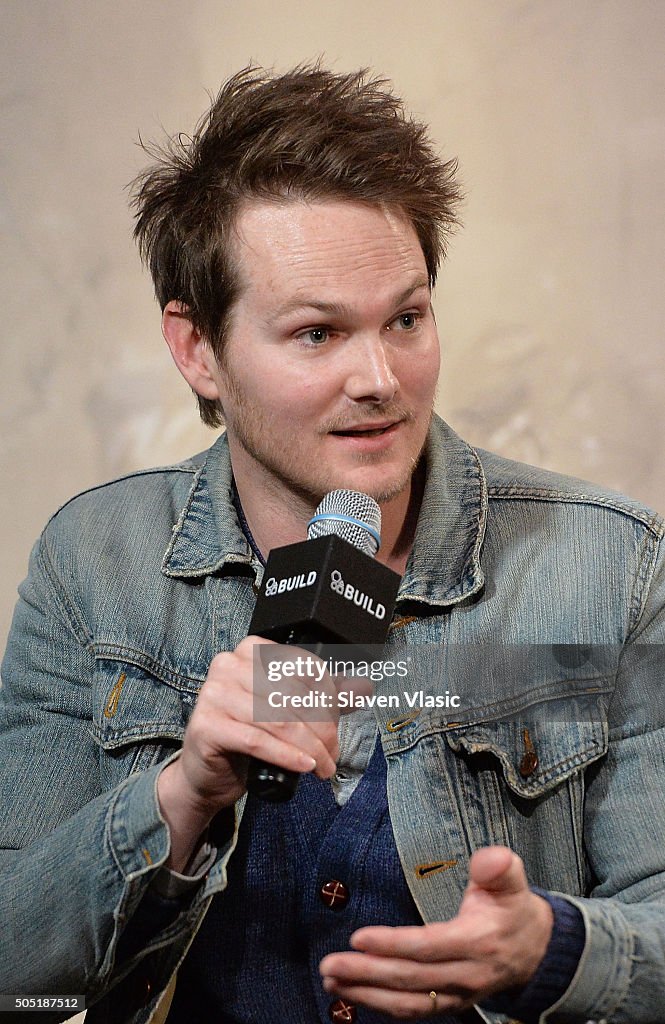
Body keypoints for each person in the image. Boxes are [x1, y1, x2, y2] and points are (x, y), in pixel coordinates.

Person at [1, 64, 664, 1024]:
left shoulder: (607, 565)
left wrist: (551, 949)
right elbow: (18, 966)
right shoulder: (94, 565)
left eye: (405, 318)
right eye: (316, 334)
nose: (379, 379)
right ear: (196, 349)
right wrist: (181, 797)